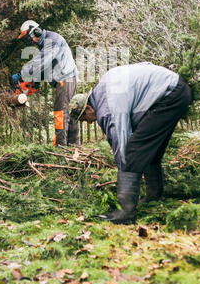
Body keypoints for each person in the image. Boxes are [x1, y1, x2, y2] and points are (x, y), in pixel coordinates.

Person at [69, 62, 192, 225]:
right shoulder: (103, 93)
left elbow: (121, 142)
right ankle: (154, 198)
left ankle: (125, 212)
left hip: (170, 93)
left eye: (84, 119)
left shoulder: (106, 108)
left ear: (89, 108)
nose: (89, 123)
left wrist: (123, 169)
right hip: (176, 90)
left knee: (132, 150)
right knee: (150, 151)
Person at [12, 20, 79, 146]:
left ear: (35, 31)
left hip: (65, 79)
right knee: (71, 111)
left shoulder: (52, 40)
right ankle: (73, 145)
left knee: (61, 111)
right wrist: (37, 79)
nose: (29, 41)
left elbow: (41, 62)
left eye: (28, 37)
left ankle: (61, 146)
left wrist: (22, 74)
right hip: (65, 78)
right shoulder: (46, 43)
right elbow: (48, 65)